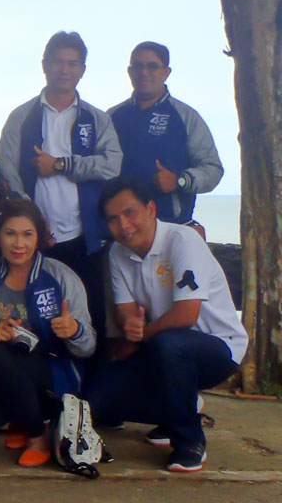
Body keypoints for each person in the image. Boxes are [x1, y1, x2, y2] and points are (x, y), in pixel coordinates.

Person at [84, 178, 247, 472]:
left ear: (150, 209)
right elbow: (125, 311)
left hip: (218, 348)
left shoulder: (183, 240)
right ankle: (180, 407)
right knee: (97, 400)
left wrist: (142, 334)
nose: (123, 225)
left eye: (129, 213)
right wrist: (131, 325)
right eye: (113, 218)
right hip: (161, 348)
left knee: (169, 343)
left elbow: (186, 315)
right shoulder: (117, 253)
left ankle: (188, 441)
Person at [0, 31, 121, 338]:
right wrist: (34, 224)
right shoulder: (21, 117)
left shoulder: (96, 119)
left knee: (90, 314)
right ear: (44, 65)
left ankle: (90, 370)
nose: (64, 70)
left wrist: (62, 164)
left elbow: (112, 165)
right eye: (57, 62)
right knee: (35, 316)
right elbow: (8, 172)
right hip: (35, 241)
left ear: (82, 70)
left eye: (72, 63)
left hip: (85, 238)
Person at [0, 196, 95, 467]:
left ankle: (36, 434)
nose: (19, 244)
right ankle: (21, 416)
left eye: (27, 234)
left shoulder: (61, 276)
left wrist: (74, 330)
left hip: (50, 371)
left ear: (38, 237)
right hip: (1, 370)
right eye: (10, 234)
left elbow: (88, 347)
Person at [108, 41, 223, 233]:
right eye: (137, 66)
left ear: (166, 72)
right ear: (129, 71)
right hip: (123, 230)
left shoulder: (186, 117)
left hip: (172, 227)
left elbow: (213, 170)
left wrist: (180, 180)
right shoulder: (111, 117)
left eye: (152, 66)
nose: (144, 72)